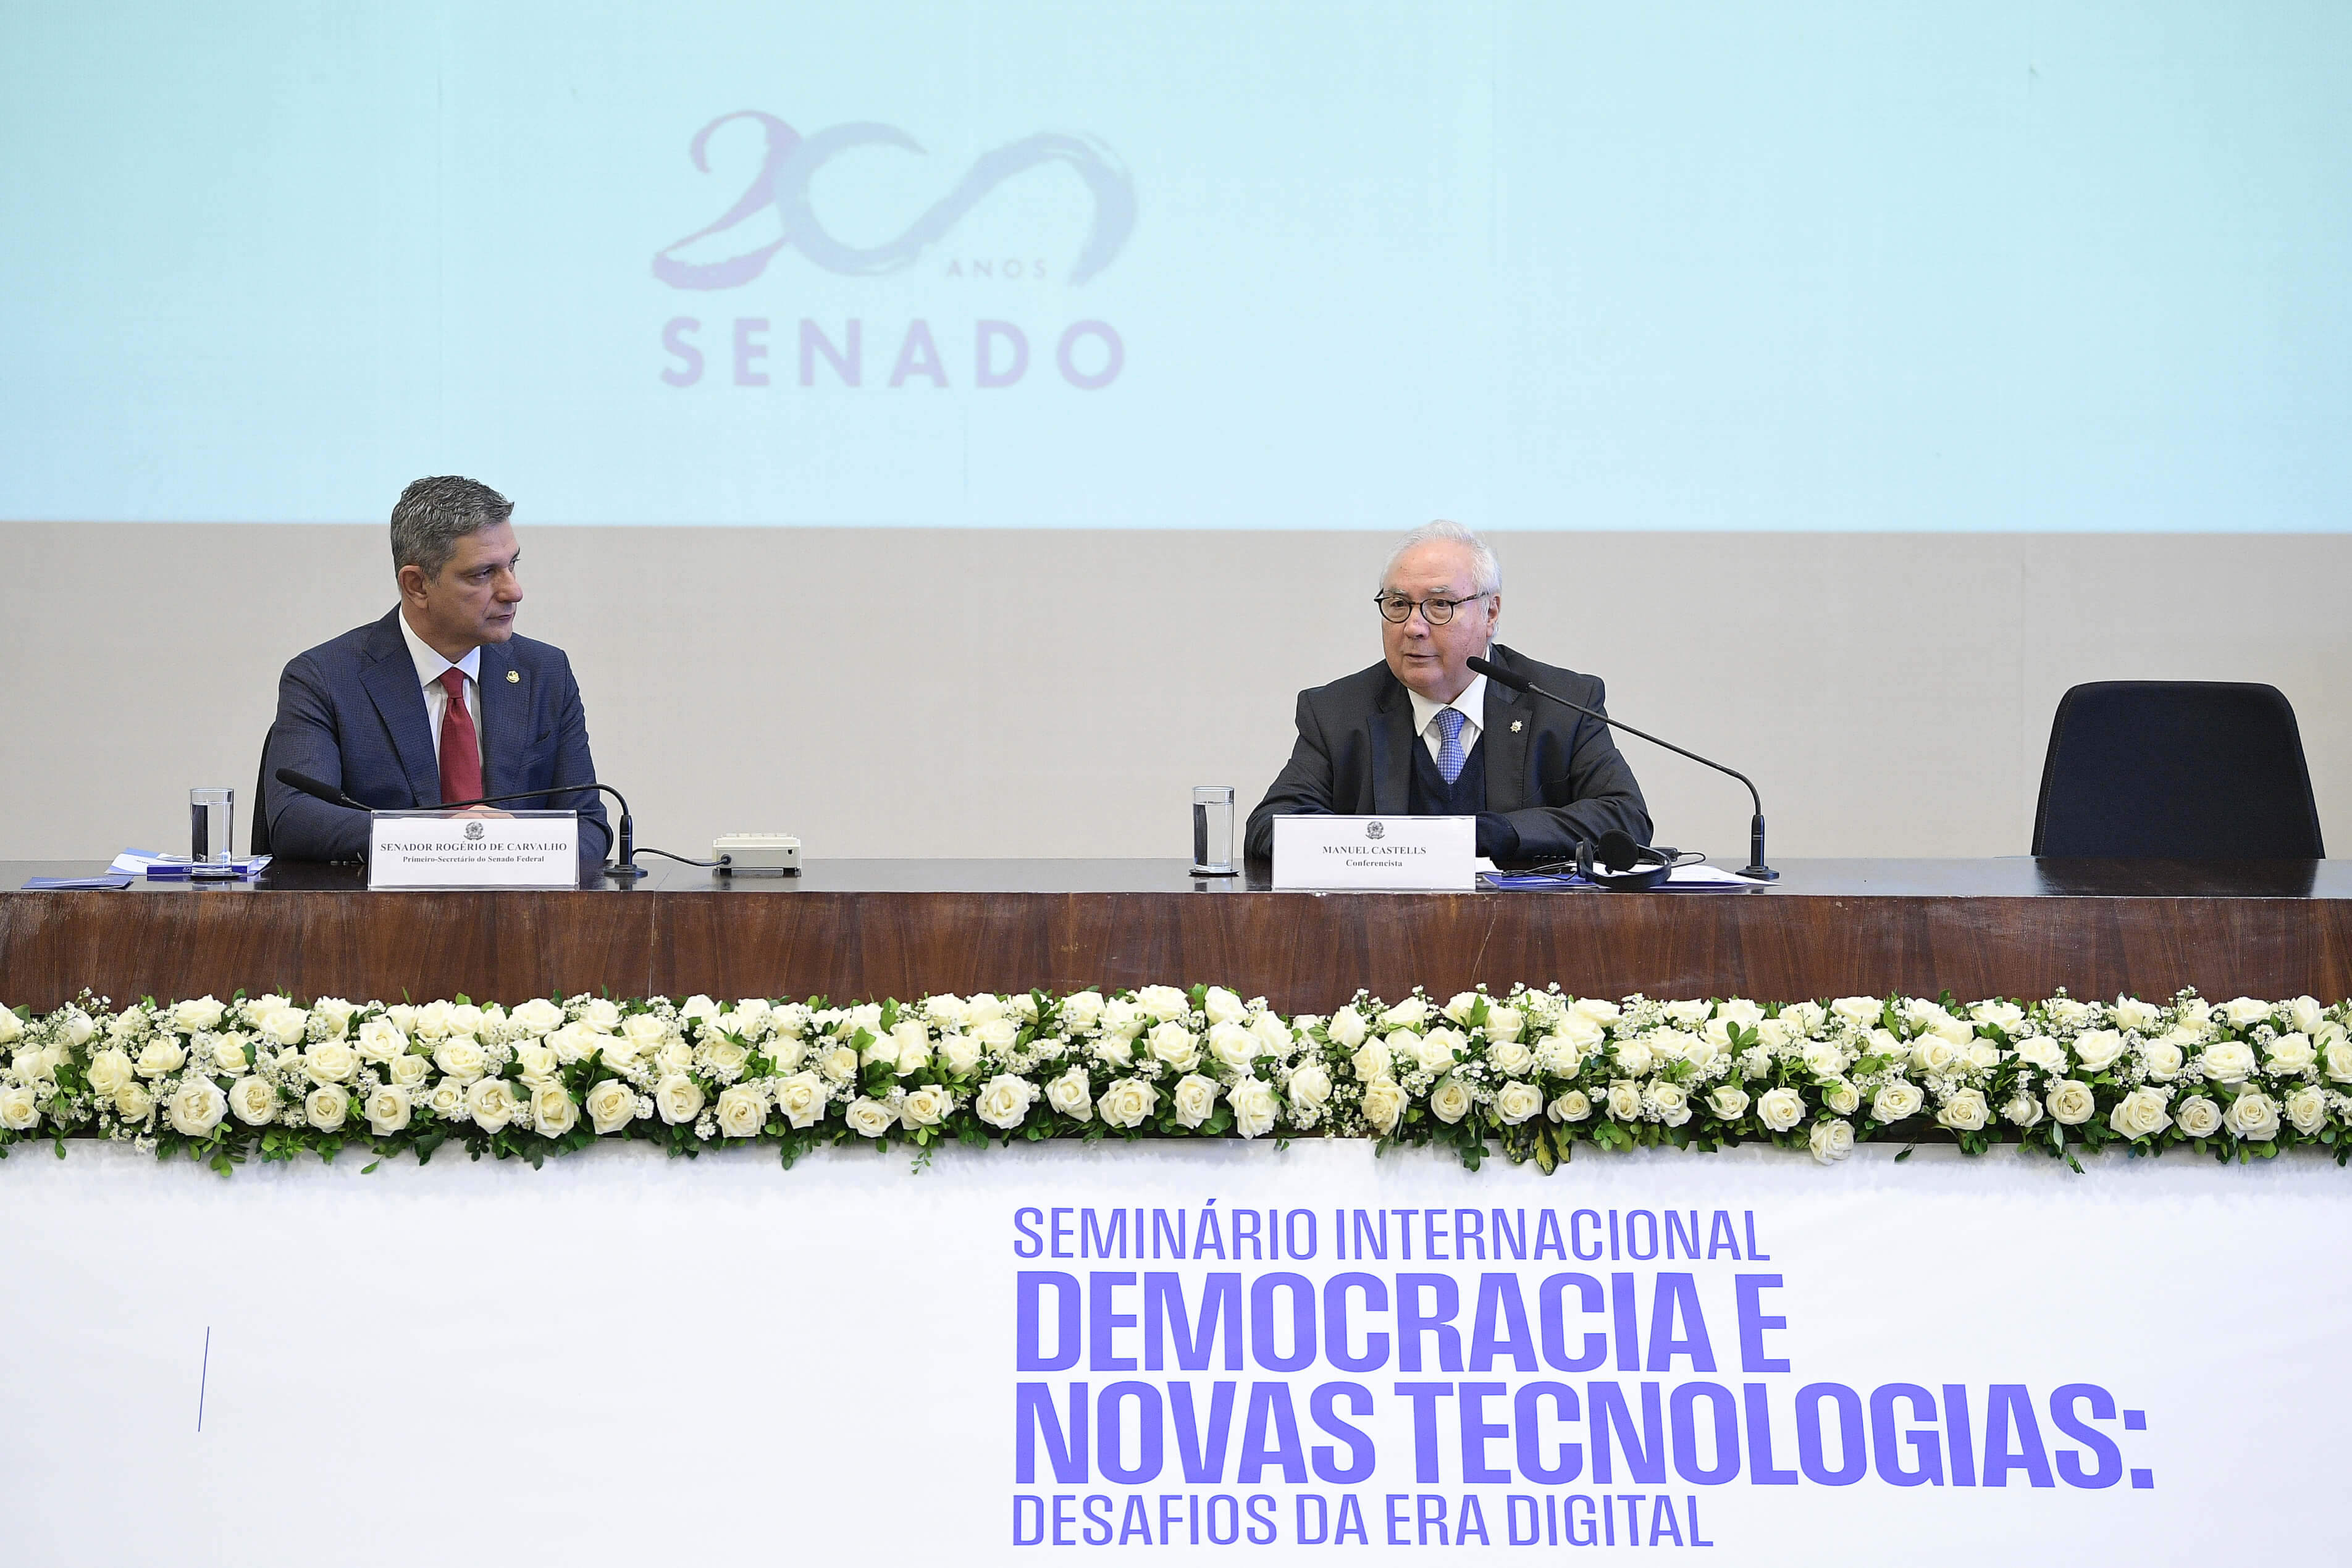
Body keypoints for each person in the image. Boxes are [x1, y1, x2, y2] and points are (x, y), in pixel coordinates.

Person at [259, 476, 611, 870]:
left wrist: (516, 845)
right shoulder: (326, 678)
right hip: (382, 922)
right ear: (417, 586)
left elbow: (590, 827)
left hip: (521, 918)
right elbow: (296, 817)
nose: (513, 591)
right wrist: (440, 837)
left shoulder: (544, 673)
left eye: (512, 565)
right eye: (482, 574)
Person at [1244, 520, 1648, 863]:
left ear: (1490, 613)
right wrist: (1382, 844)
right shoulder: (1337, 712)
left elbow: (1626, 817)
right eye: (1399, 603)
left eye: (1439, 605)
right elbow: (1268, 827)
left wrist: (1502, 832)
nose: (1413, 626)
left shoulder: (1560, 702)